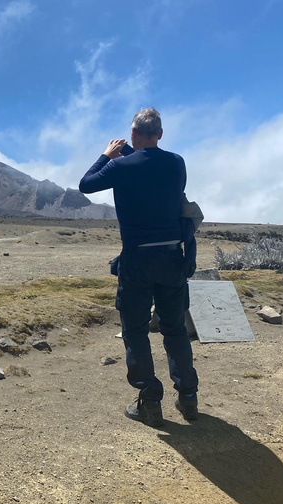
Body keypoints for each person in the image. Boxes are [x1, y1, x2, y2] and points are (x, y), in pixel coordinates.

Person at [78, 107, 199, 427]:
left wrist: (107, 155)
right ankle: (188, 395)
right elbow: (151, 169)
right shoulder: (177, 163)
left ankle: (149, 398)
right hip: (173, 258)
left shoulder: (120, 165)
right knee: (174, 329)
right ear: (160, 134)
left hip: (137, 261)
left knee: (135, 330)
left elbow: (86, 185)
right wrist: (129, 154)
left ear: (132, 134)